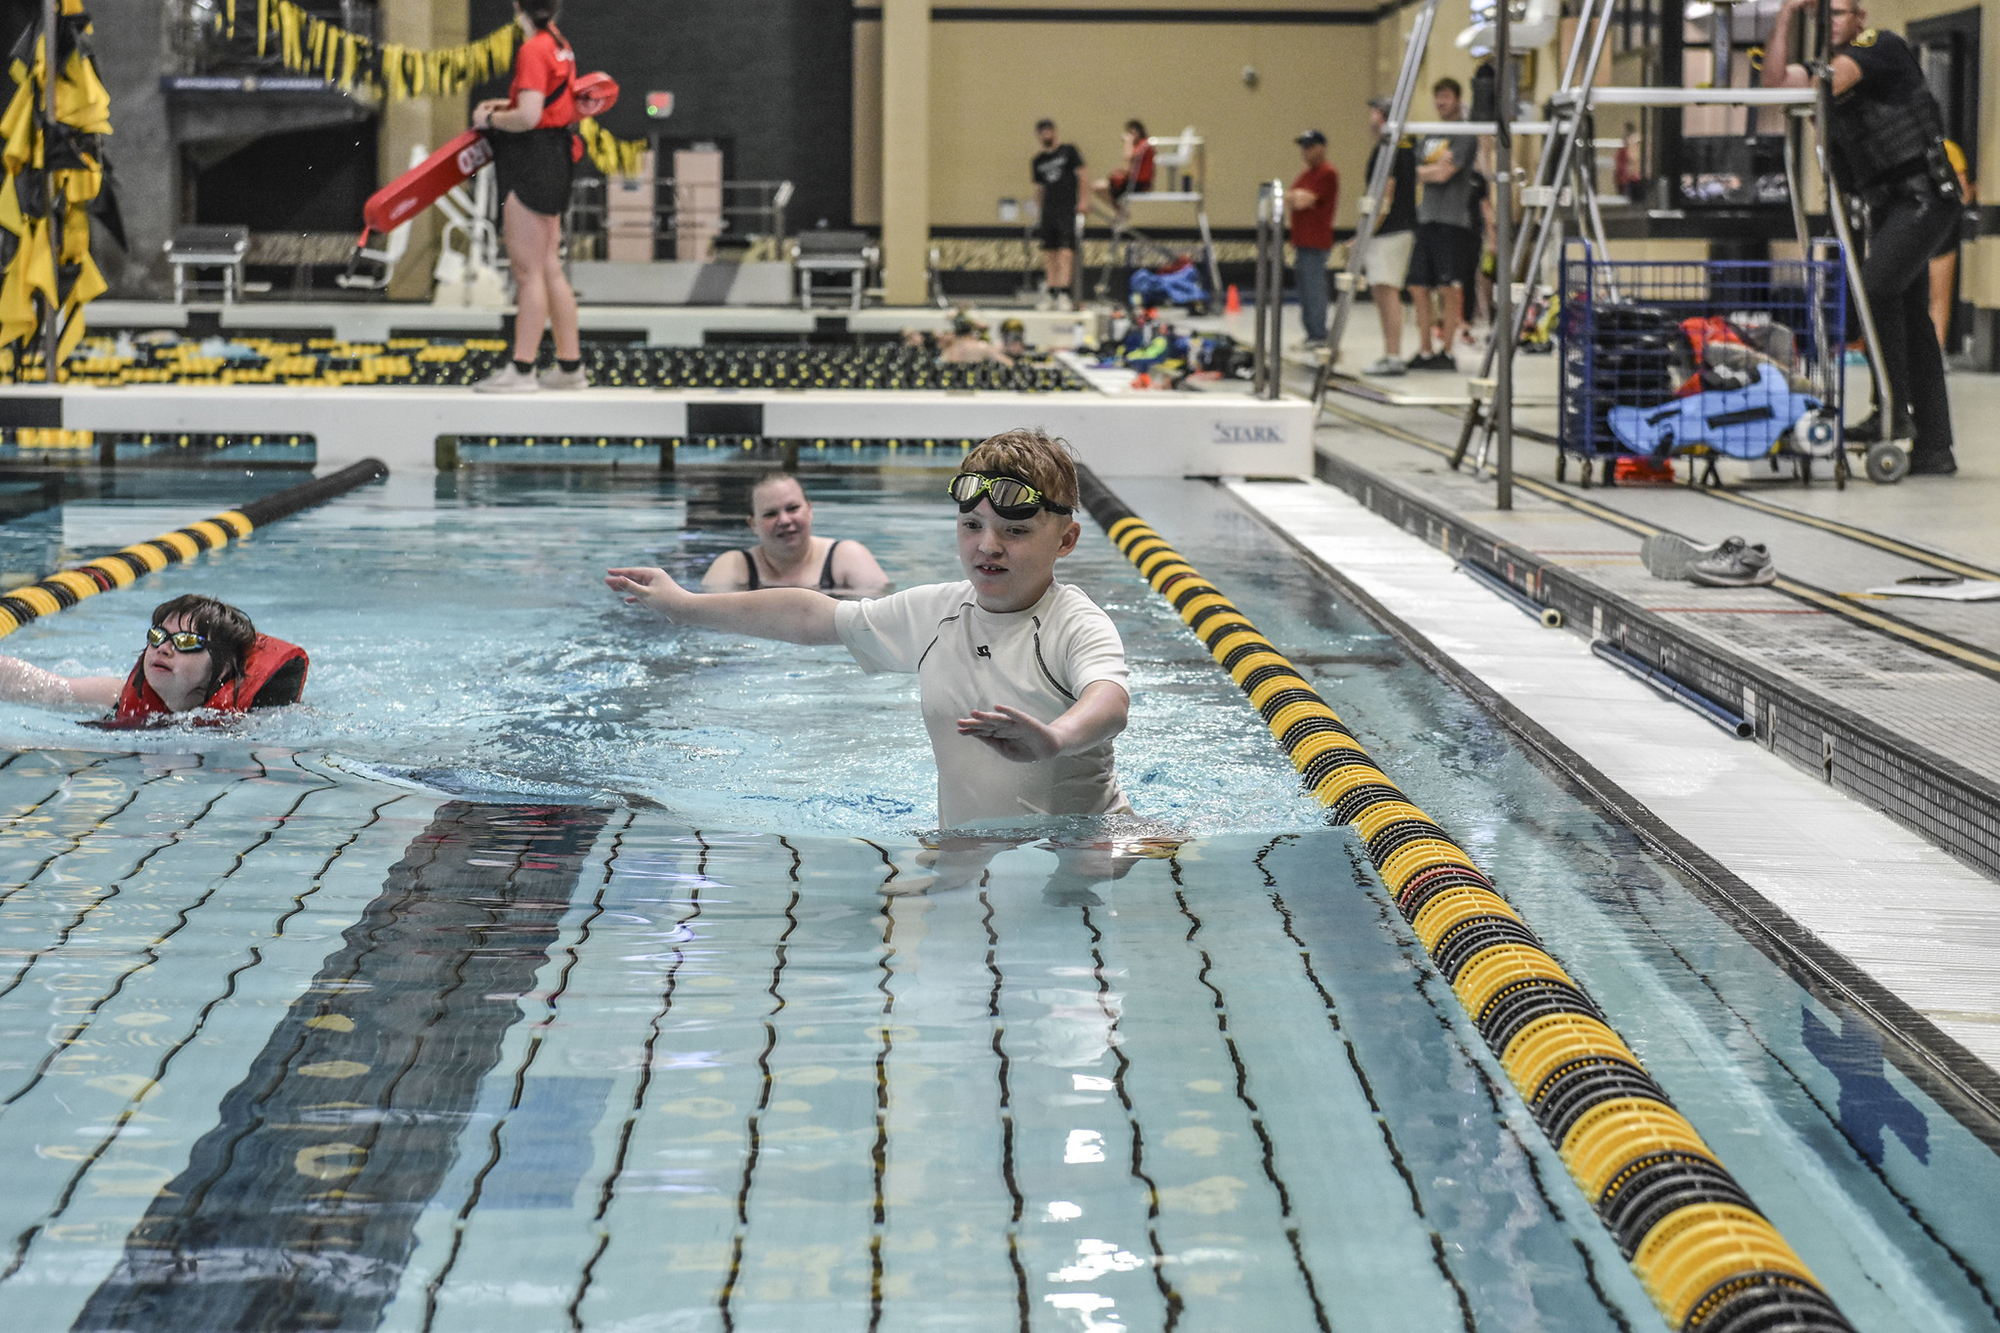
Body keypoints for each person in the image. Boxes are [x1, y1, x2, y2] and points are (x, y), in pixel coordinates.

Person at [611, 429, 1131, 828]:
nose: (987, 547)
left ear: (1066, 541)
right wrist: (685, 606)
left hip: (1082, 845)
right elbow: (811, 615)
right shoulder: (935, 613)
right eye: (971, 526)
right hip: (968, 845)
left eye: (1014, 531)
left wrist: (1055, 739)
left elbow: (1110, 699)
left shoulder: (1075, 623)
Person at [1766, 0, 1958, 474]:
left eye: (1840, 12)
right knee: (1909, 315)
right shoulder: (1825, 66)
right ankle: (1935, 446)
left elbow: (1824, 84)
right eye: (1824, 14)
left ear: (1859, 18)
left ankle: (1891, 414)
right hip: (1889, 205)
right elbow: (1774, 83)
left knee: (1874, 292)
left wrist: (1809, 74)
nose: (1831, 20)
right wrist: (1788, 13)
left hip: (1923, 197)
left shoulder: (1879, 47)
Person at [472, 0, 585, 394]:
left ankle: (521, 371)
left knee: (527, 271)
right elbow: (549, 103)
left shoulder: (533, 48)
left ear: (518, 6)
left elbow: (530, 115)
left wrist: (490, 119)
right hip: (555, 156)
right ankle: (570, 367)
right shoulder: (559, 44)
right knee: (549, 265)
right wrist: (506, 107)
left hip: (531, 160)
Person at [0, 594, 308, 725]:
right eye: (158, 636)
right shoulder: (114, 696)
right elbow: (42, 686)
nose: (163, 648)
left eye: (186, 642)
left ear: (225, 666)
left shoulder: (259, 724)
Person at [700, 471, 892, 594]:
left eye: (792, 508)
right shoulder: (733, 566)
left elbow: (884, 620)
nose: (784, 520)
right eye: (770, 514)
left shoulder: (848, 557)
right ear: (753, 524)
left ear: (809, 510)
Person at [1405, 78, 1479, 372]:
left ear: (1458, 99)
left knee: (1448, 288)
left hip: (1452, 221)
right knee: (1417, 285)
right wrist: (1432, 168)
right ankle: (1425, 350)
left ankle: (1447, 351)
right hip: (1427, 218)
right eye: (1437, 97)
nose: (1440, 102)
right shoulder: (1431, 134)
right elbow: (1417, 170)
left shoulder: (1465, 134)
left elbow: (1444, 174)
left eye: (1446, 97)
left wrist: (1432, 169)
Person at [1359, 97, 1418, 376]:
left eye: (1373, 112)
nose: (1369, 117)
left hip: (1391, 229)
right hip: (1394, 228)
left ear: (1382, 116)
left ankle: (1393, 354)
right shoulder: (1403, 146)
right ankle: (1389, 352)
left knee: (1386, 290)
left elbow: (1386, 191)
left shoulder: (1391, 148)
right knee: (1382, 289)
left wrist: (1367, 229)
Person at [1286, 130, 1340, 347]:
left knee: (1315, 289)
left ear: (1321, 148)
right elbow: (1290, 197)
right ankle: (1311, 332)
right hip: (1301, 241)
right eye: (1303, 148)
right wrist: (1296, 197)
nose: (1305, 153)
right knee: (1305, 290)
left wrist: (1297, 197)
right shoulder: (1306, 175)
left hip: (1316, 241)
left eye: (1310, 147)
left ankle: (1319, 333)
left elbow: (1300, 202)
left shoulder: (1327, 173)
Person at [1032, 120, 1087, 311]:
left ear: (1055, 132)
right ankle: (1051, 292)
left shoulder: (1069, 152)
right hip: (1049, 212)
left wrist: (1083, 200)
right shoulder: (1038, 161)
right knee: (1050, 253)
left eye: (1049, 131)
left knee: (1065, 252)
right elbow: (1038, 189)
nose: (1046, 135)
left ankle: (1064, 292)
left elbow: (1082, 175)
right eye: (1042, 132)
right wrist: (1040, 211)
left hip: (1067, 209)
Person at [1928, 138, 1971, 351]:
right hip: (1942, 229)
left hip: (1907, 226)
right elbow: (1963, 194)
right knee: (1940, 297)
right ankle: (1936, 350)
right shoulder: (1948, 148)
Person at [1094, 120, 1156, 214]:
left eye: (1132, 133)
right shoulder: (1139, 146)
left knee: (1101, 186)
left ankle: (1121, 211)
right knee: (1098, 186)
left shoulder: (1144, 144)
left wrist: (1128, 142)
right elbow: (1130, 167)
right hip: (1133, 180)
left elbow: (1127, 156)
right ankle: (1120, 211)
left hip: (1140, 183)